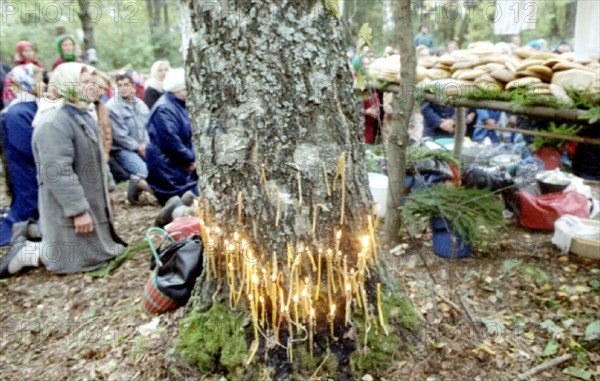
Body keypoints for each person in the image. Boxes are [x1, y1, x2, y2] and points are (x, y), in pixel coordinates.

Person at [0, 62, 126, 278]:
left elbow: (98, 157)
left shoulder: (82, 112)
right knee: (70, 258)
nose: (91, 86)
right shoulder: (53, 121)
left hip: (89, 195)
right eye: (84, 82)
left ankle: (33, 234)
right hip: (67, 205)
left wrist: (110, 187)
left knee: (97, 253)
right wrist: (77, 210)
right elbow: (57, 172)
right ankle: (28, 253)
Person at [0, 64, 45, 247]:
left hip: (36, 169)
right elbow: (26, 148)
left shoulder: (31, 106)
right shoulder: (17, 113)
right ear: (25, 82)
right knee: (28, 207)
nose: (43, 84)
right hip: (27, 172)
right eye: (39, 80)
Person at [145, 68, 199, 205]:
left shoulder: (180, 106)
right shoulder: (164, 110)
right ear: (177, 90)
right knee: (191, 201)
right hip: (169, 169)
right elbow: (170, 142)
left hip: (180, 166)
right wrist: (189, 161)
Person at [106, 73, 152, 203]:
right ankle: (135, 187)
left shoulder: (141, 104)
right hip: (123, 150)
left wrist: (147, 146)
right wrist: (138, 147)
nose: (123, 88)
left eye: (126, 85)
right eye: (119, 86)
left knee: (161, 168)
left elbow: (148, 127)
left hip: (144, 146)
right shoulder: (112, 107)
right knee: (144, 172)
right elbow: (119, 136)